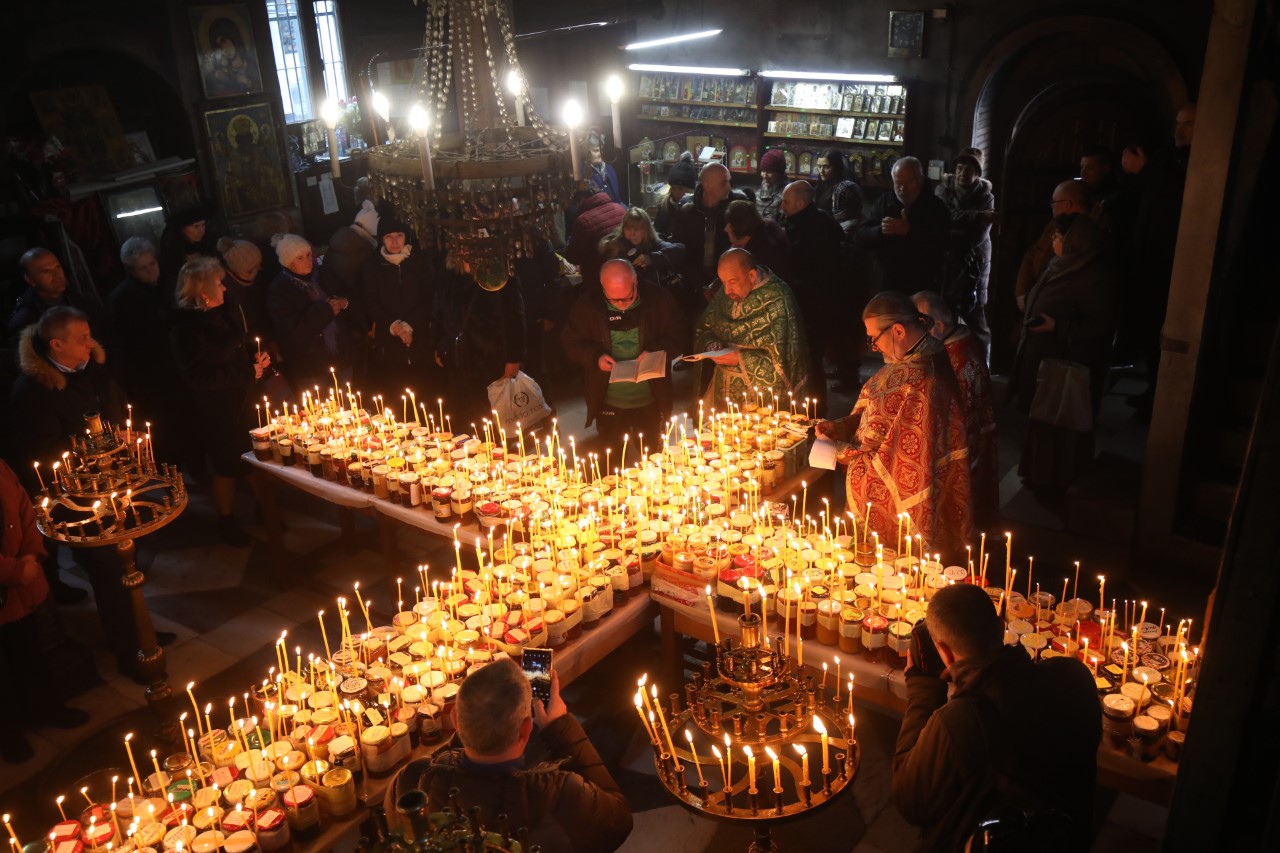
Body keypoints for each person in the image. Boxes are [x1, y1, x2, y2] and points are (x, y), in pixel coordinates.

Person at [8, 307, 160, 680]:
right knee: (109, 573)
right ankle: (130, 652)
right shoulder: (33, 390)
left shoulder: (92, 368)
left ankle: (144, 633)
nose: (91, 343)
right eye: (82, 338)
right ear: (56, 344)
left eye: (90, 334)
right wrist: (97, 447)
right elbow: (43, 450)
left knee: (128, 562)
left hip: (114, 484)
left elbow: (110, 410)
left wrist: (121, 437)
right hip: (77, 498)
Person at [892, 583, 1101, 851]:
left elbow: (912, 802)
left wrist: (923, 691)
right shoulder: (1073, 677)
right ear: (1002, 627)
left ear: (943, 651)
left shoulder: (959, 720)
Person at [388, 658, 632, 851]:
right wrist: (560, 727)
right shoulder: (563, 793)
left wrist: (473, 726)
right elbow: (619, 820)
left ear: (455, 720)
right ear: (526, 728)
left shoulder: (413, 781)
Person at [816, 292, 972, 555]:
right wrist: (841, 426)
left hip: (901, 498)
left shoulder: (921, 378)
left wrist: (839, 450)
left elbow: (894, 456)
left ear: (898, 330)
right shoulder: (921, 354)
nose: (874, 348)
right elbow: (877, 414)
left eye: (874, 339)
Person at [1009, 215, 1118, 491]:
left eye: (1058, 237)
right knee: (1041, 423)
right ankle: (1038, 474)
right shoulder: (1059, 265)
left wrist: (1058, 327)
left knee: (1059, 425)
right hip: (1043, 358)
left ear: (1074, 242)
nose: (1053, 241)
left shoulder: (1092, 276)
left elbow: (1102, 325)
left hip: (1065, 364)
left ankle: (1057, 481)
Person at [170, 258, 271, 544]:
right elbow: (199, 378)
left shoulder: (222, 314)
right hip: (219, 412)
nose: (225, 288)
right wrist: (246, 371)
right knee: (227, 467)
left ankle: (266, 509)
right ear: (203, 292)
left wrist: (256, 360)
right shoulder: (186, 330)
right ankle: (226, 521)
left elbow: (237, 352)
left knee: (257, 460)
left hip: (244, 403)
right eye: (218, 283)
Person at [0, 458, 91, 764]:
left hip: (21, 584)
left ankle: (45, 709)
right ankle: (8, 734)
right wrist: (13, 570)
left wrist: (30, 554)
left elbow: (23, 505)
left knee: (29, 652)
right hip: (10, 579)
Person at [561, 259, 687, 446]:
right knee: (611, 460)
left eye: (627, 297)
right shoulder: (588, 305)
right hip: (608, 400)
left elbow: (680, 336)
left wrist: (654, 351)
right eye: (613, 299)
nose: (621, 305)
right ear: (602, 287)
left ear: (635, 280)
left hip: (651, 399)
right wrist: (596, 357)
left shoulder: (658, 299)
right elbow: (571, 343)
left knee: (651, 458)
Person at [1128, 103, 1196, 411]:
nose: (1180, 130)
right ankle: (1154, 388)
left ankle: (1164, 397)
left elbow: (1181, 199)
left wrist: (1144, 170)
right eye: (1178, 123)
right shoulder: (1166, 158)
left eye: (1189, 124)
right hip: (1148, 256)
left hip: (1174, 263)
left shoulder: (1200, 160)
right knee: (1149, 327)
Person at [914, 291, 999, 530]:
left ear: (939, 325)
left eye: (921, 323)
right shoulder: (960, 343)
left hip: (961, 447)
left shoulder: (956, 360)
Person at [694, 248, 810, 406]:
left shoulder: (779, 298)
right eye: (722, 282)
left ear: (752, 275)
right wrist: (711, 343)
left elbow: (788, 363)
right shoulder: (725, 291)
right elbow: (705, 327)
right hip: (723, 391)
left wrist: (740, 359)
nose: (726, 290)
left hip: (762, 398)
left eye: (732, 282)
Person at [108, 238, 184, 462]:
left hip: (179, 366)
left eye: (153, 264)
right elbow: (122, 344)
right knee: (163, 430)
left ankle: (198, 469)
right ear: (131, 270)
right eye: (143, 268)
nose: (151, 271)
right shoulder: (121, 299)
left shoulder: (173, 284)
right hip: (150, 375)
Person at [433, 254, 527, 428]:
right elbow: (439, 311)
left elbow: (515, 316)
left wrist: (514, 357)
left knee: (491, 419)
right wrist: (439, 346)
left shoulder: (500, 272)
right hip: (457, 357)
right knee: (461, 416)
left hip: (491, 357)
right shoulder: (448, 273)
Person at [780, 180, 844, 417]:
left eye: (786, 202)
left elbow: (812, 269)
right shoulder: (807, 221)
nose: (781, 206)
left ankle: (816, 414)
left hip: (813, 305)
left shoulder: (814, 229)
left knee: (812, 360)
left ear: (800, 203)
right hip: (813, 302)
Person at [360, 212, 437, 399]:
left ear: (406, 237)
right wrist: (395, 326)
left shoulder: (420, 261)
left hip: (421, 340)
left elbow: (430, 297)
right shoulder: (373, 266)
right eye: (389, 237)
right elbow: (370, 301)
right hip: (388, 345)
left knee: (425, 395)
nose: (394, 242)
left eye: (399, 236)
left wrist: (410, 325)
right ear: (381, 240)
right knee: (395, 397)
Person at [268, 233, 352, 392]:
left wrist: (344, 302)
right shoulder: (279, 289)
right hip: (310, 367)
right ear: (288, 262)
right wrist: (325, 310)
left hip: (341, 358)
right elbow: (291, 330)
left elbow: (348, 295)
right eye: (300, 258)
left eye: (308, 255)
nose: (307, 261)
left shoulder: (324, 274)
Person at [935, 147, 997, 360]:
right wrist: (977, 215)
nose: (962, 173)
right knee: (943, 317)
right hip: (946, 262)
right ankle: (944, 365)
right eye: (960, 168)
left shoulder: (986, 196)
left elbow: (978, 235)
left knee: (976, 318)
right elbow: (943, 219)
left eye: (968, 169)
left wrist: (956, 225)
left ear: (977, 173)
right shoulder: (943, 190)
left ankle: (982, 365)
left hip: (973, 263)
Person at [857, 157, 950, 295]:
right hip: (886, 284)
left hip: (921, 286)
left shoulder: (936, 208)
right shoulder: (884, 202)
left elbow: (942, 246)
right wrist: (881, 230)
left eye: (909, 183)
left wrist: (909, 232)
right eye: (898, 183)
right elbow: (861, 234)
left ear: (920, 180)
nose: (902, 189)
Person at [1014, 179, 1108, 313]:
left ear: (1067, 205)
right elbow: (1032, 255)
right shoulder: (1054, 227)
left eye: (1054, 202)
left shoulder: (1092, 236)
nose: (1052, 206)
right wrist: (1022, 294)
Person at [672, 162, 750, 309]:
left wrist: (718, 283)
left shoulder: (739, 205)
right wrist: (700, 285)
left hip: (729, 284)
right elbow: (681, 250)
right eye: (724, 183)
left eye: (729, 181)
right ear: (707, 185)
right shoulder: (686, 209)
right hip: (694, 286)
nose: (729, 187)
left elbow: (744, 247)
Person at [597, 207, 687, 297]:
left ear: (646, 230)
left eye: (636, 229)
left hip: (654, 297)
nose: (632, 234)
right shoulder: (617, 247)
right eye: (628, 229)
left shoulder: (654, 244)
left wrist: (651, 258)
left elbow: (680, 249)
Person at [564, 189, 626, 291]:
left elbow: (574, 258)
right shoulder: (620, 208)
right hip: (623, 270)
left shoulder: (583, 221)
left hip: (598, 277)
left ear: (582, 200)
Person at [323, 199, 382, 298]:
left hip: (334, 299)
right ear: (373, 233)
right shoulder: (366, 253)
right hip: (353, 303)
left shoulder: (339, 241)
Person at [158, 204, 220, 293]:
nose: (202, 231)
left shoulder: (209, 244)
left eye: (203, 225)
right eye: (196, 226)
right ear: (181, 229)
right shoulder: (172, 255)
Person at [724, 199, 791, 282]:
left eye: (730, 224)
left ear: (740, 227)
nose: (726, 229)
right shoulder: (761, 233)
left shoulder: (763, 256)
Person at [653, 152, 697, 238]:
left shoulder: (696, 208)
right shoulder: (665, 206)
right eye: (673, 188)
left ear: (691, 190)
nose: (676, 192)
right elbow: (657, 232)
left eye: (680, 188)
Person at [813, 149, 863, 219]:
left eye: (826, 167)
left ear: (836, 167)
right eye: (819, 166)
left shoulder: (845, 187)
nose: (821, 171)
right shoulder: (822, 182)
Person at [585, 128, 622, 204]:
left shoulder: (609, 168)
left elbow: (618, 199)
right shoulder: (585, 173)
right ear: (587, 152)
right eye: (596, 150)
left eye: (601, 150)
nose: (599, 154)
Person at [755, 148, 788, 222]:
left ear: (780, 173)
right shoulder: (757, 193)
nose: (764, 175)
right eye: (763, 171)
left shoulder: (788, 195)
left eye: (769, 172)